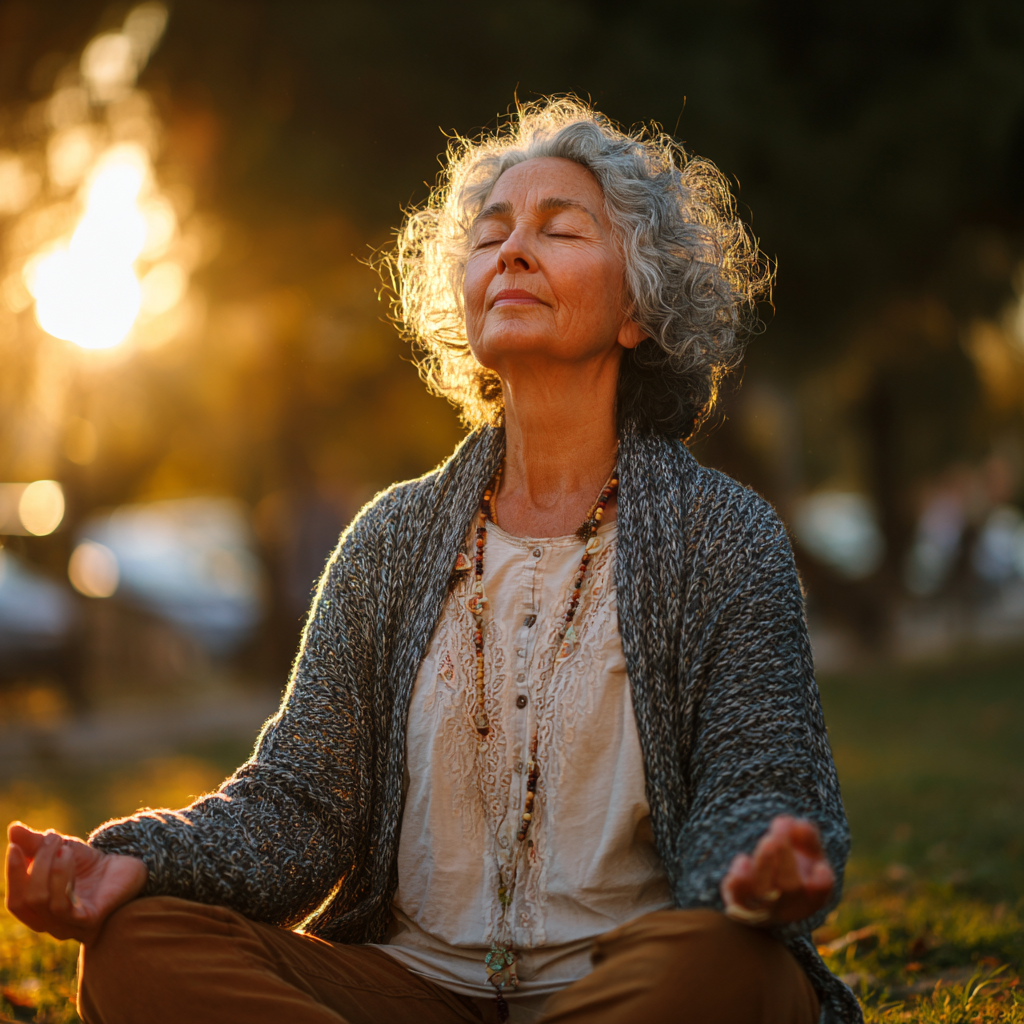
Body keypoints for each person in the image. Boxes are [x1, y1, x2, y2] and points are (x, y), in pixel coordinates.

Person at [5, 97, 862, 1024]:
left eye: (560, 229)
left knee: (728, 967)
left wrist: (757, 864)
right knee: (140, 948)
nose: (513, 251)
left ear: (639, 311)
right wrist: (143, 859)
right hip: (414, 993)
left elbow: (758, 776)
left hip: (628, 983)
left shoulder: (722, 535)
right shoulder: (392, 540)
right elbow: (301, 802)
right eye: (491, 236)